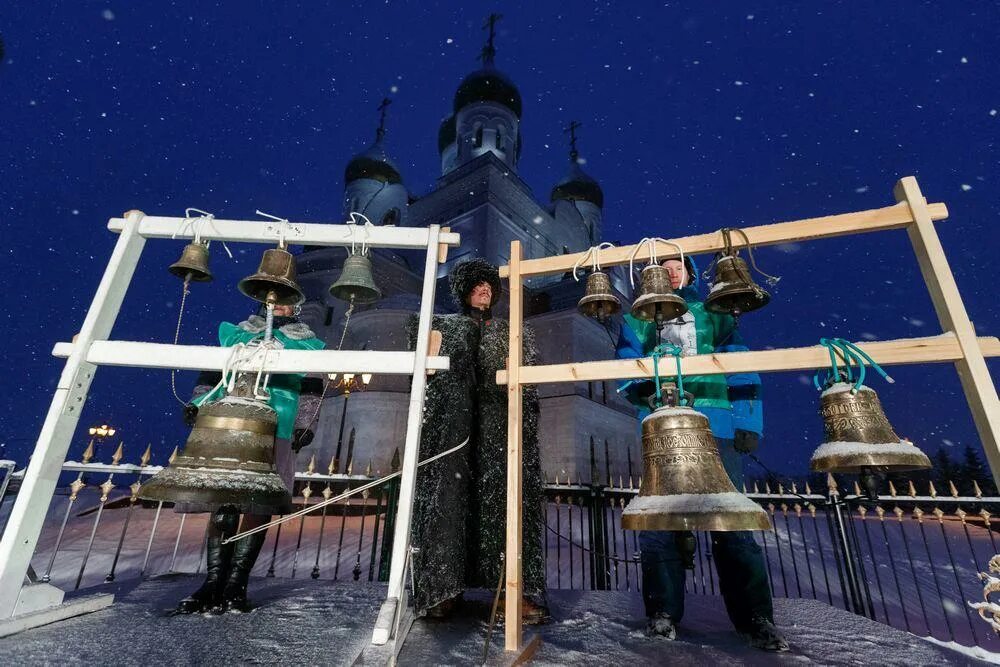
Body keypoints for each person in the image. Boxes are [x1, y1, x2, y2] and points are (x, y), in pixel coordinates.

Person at [616, 255, 788, 651]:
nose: (672, 271)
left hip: (717, 423)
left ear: (691, 273)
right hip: (662, 426)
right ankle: (662, 612)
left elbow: (741, 364)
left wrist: (748, 421)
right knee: (660, 525)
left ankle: (755, 617)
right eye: (663, 267)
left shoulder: (715, 313)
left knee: (732, 524)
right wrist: (645, 379)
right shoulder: (637, 319)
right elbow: (625, 366)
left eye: (679, 265)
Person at [407, 258, 548, 623]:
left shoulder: (512, 331)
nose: (483, 291)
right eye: (476, 286)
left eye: (488, 286)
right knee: (448, 500)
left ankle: (514, 591)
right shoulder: (444, 327)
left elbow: (528, 384)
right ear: (463, 293)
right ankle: (442, 587)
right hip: (454, 431)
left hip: (499, 427)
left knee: (505, 500)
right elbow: (426, 376)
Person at [172, 303, 325, 614]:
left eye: (286, 300)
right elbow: (215, 371)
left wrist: (305, 423)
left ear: (296, 306)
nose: (279, 305)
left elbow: (312, 386)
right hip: (231, 417)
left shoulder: (307, 343)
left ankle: (236, 584)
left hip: (276, 421)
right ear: (262, 300)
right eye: (274, 299)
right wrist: (198, 402)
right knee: (223, 500)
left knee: (258, 502)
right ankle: (213, 581)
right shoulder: (238, 335)